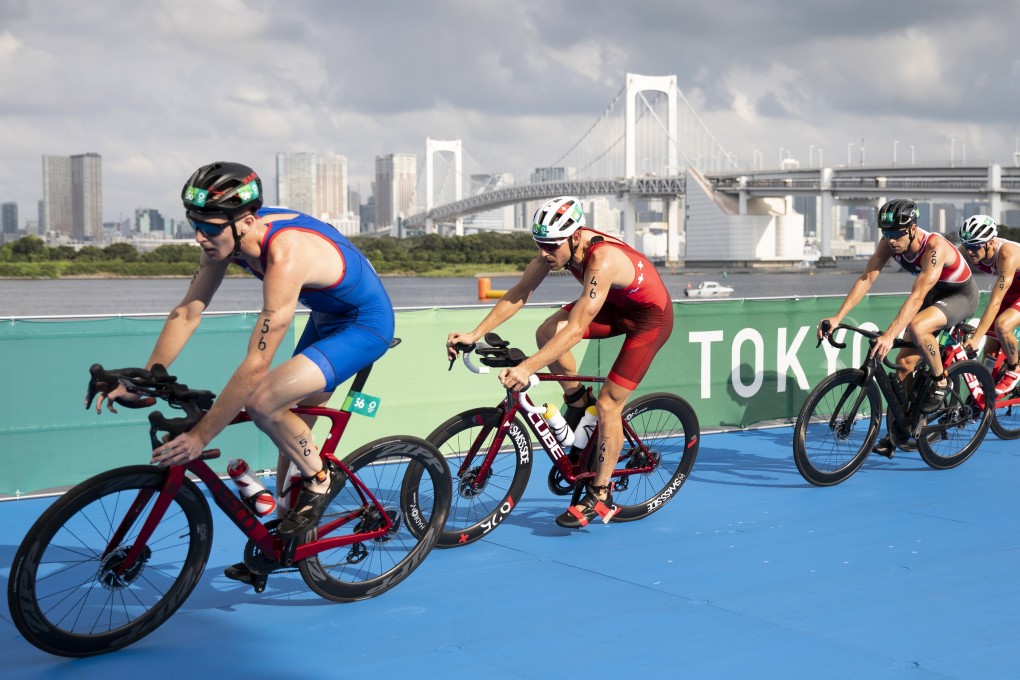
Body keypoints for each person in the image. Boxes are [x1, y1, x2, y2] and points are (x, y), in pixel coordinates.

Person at [93, 161, 395, 583]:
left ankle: (321, 481)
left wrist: (201, 436)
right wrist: (145, 377)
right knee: (290, 433)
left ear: (246, 221)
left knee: (264, 402)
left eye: (209, 227)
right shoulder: (227, 239)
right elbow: (187, 311)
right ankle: (286, 542)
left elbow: (257, 363)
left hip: (365, 324)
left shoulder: (286, 255)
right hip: (328, 317)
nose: (200, 236)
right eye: (194, 223)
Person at [446, 196, 673, 528]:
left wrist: (527, 367)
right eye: (539, 245)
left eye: (551, 246)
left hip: (649, 321)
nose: (543, 253)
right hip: (614, 306)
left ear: (575, 237)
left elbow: (578, 328)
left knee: (610, 404)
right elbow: (520, 292)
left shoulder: (604, 260)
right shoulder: (554, 250)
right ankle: (579, 400)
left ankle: (601, 491)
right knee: (547, 330)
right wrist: (474, 332)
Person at [818, 198, 978, 458]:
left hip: (960, 295)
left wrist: (890, 335)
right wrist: (837, 317)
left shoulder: (934, 248)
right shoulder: (888, 244)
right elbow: (867, 278)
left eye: (896, 233)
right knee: (904, 365)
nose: (891, 239)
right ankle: (900, 431)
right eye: (886, 232)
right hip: (933, 294)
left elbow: (917, 297)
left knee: (917, 327)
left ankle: (940, 380)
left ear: (913, 228)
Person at [959, 215, 1020, 396]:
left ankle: (1014, 368)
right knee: (991, 346)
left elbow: (995, 302)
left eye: (975, 247)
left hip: (1012, 288)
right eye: (967, 245)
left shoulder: (1007, 254)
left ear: (990, 243)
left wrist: (976, 339)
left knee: (1002, 325)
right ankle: (985, 391)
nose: (970, 252)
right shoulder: (967, 249)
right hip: (1014, 288)